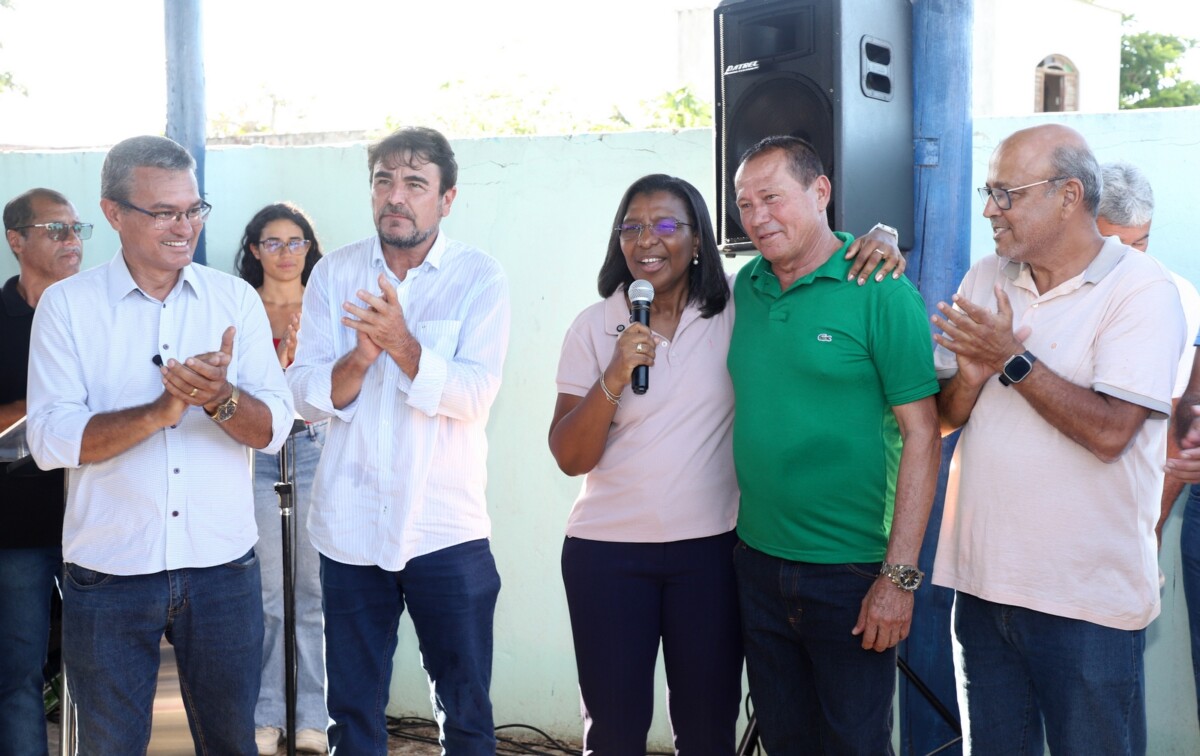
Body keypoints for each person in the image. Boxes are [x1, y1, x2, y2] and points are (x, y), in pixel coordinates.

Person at [547, 171, 906, 752]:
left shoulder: (740, 304)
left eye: (666, 224)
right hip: (607, 555)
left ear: (699, 239)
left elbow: (806, 257)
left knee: (708, 731)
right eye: (631, 228)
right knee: (612, 733)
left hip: (711, 554)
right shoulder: (593, 325)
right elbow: (570, 456)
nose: (646, 239)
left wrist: (882, 235)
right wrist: (614, 375)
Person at [25, 135, 295, 754]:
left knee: (231, 743)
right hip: (110, 572)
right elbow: (50, 439)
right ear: (114, 213)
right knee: (111, 746)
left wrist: (220, 399)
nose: (185, 226)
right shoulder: (67, 307)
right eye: (164, 212)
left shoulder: (234, 299)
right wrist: (160, 411)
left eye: (194, 209)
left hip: (222, 568)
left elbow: (274, 428)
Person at [931, 124, 1185, 754]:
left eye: (1006, 194)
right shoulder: (986, 274)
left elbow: (1111, 432)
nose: (990, 210)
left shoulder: (1143, 289)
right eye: (989, 192)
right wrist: (969, 378)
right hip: (983, 586)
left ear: (1069, 196)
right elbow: (942, 420)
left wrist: (1011, 360)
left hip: (1086, 601)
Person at [286, 126, 510, 754]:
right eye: (383, 181)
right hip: (350, 526)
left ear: (447, 198)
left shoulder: (479, 277)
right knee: (351, 714)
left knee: (466, 711)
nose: (396, 196)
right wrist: (361, 356)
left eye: (414, 183)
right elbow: (304, 395)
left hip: (446, 528)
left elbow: (474, 396)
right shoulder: (334, 272)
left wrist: (403, 345)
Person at [725, 135, 941, 755]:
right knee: (785, 741)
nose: (758, 217)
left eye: (772, 197)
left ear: (820, 192)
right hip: (757, 562)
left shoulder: (881, 290)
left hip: (853, 571)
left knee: (855, 745)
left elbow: (923, 434)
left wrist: (898, 579)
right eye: (745, 204)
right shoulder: (745, 287)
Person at [234, 202, 329, 755]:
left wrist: (298, 369)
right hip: (255, 453)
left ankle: (312, 718)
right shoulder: (240, 305)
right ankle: (268, 715)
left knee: (311, 592)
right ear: (254, 250)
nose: (286, 253)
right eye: (273, 242)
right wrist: (279, 366)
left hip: (312, 448)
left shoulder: (325, 305)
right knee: (268, 593)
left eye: (297, 242)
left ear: (309, 249)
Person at [0, 188, 86, 756]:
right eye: (56, 229)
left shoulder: (97, 310)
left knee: (107, 673)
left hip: (100, 518)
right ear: (17, 240)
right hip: (17, 529)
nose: (72, 239)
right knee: (18, 677)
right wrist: (52, 404)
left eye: (77, 228)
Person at [1096, 161, 1200, 547]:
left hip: (1133, 508)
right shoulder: (1057, 291)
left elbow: (1177, 426)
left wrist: (1153, 526)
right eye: (1114, 244)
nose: (1131, 259)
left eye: (1140, 243)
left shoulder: (1178, 295)